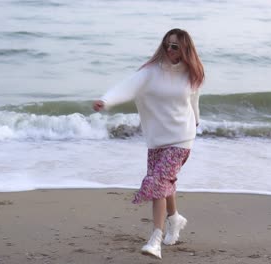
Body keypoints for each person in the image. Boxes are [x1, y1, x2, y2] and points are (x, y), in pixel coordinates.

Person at [93, 28, 204, 259]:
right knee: (164, 183)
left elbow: (194, 102)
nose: (169, 49)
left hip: (182, 138)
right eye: (167, 44)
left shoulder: (192, 74)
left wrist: (196, 122)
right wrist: (106, 100)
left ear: (185, 49)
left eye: (175, 46)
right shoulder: (150, 72)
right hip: (157, 140)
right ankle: (175, 219)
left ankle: (155, 238)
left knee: (158, 182)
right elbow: (127, 86)